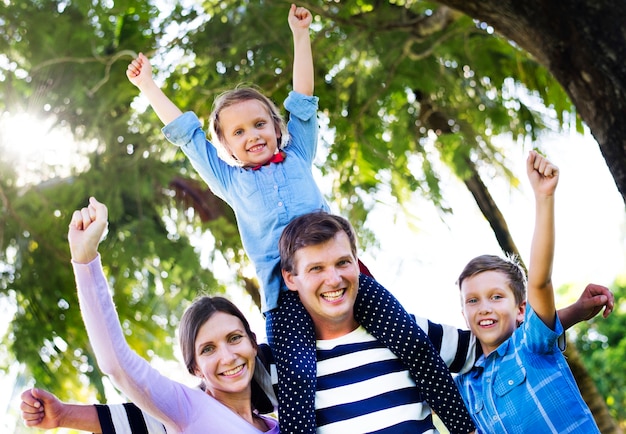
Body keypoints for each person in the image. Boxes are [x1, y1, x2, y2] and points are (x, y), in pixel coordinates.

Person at [125, 4, 475, 433]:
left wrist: (300, 34)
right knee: (296, 385)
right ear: (226, 147)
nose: (252, 135)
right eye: (238, 132)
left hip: (344, 277)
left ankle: (465, 426)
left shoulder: (299, 154)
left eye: (259, 124)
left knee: (411, 341)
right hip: (285, 298)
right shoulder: (228, 182)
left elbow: (304, 99)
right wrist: (147, 85)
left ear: (276, 127)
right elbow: (187, 135)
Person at [21, 209, 613, 433]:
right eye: (315, 269)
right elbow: (173, 411)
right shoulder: (282, 368)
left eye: (343, 263)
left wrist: (572, 313)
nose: (333, 279)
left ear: (359, 266)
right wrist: (68, 415)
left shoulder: (411, 335)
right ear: (293, 280)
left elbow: (501, 346)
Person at [67, 196, 279, 432]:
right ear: (195, 368)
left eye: (234, 338)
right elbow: (118, 364)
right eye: (208, 349)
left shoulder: (279, 422)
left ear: (253, 343)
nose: (228, 357)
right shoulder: (189, 410)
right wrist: (85, 261)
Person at [454, 151, 609, 432]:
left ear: (521, 309)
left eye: (496, 296)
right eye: (473, 301)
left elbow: (539, 282)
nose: (484, 307)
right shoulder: (465, 384)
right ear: (463, 313)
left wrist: (544, 198)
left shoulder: (531, 345)